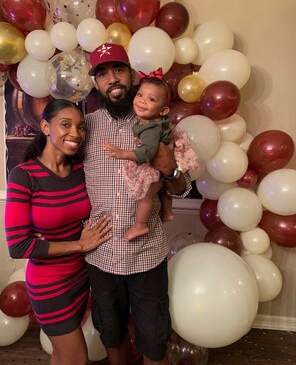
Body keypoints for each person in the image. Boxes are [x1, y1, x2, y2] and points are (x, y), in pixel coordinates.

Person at [84, 42, 192, 365]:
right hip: (101, 255)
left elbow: (183, 188)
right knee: (112, 334)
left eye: (118, 70)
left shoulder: (160, 124)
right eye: (102, 74)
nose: (112, 79)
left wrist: (167, 166)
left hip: (147, 256)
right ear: (96, 83)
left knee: (155, 340)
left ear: (131, 75)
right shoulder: (86, 126)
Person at [4, 99, 112, 365]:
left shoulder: (79, 170)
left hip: (80, 277)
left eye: (81, 127)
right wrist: (78, 245)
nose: (75, 133)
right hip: (49, 285)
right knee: (76, 357)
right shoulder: (23, 175)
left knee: (63, 354)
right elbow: (18, 246)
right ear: (45, 127)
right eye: (65, 124)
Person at [104, 68, 198, 241]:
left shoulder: (150, 128)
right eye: (140, 95)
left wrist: (121, 153)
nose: (142, 101)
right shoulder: (154, 122)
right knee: (159, 187)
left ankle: (140, 225)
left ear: (163, 110)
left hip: (149, 253)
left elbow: (146, 153)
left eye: (151, 99)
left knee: (146, 194)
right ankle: (167, 211)